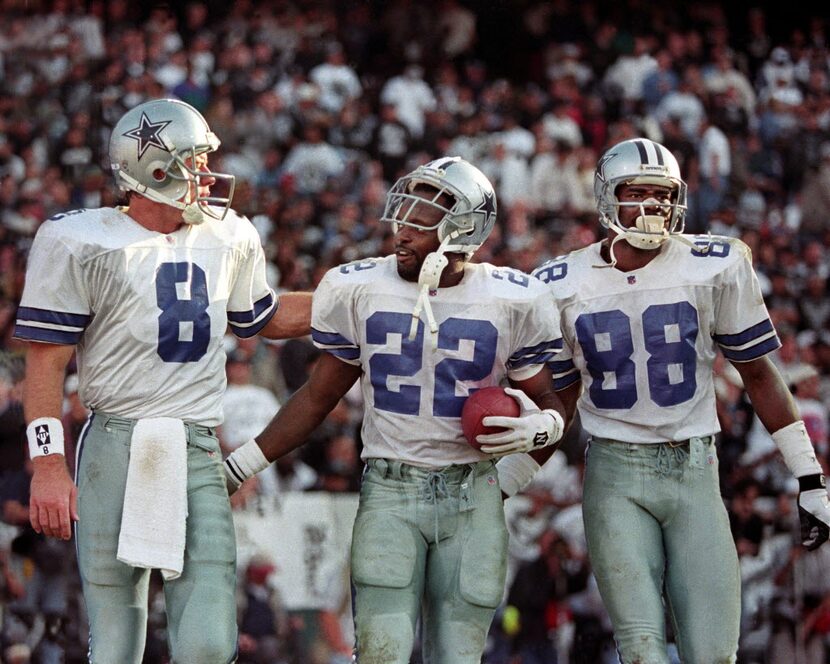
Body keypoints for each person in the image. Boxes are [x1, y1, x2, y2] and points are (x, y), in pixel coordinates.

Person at [224, 156, 569, 664]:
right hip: (391, 489)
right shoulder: (361, 285)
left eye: (422, 218)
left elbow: (550, 403)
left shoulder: (514, 299)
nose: (402, 230)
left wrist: (540, 430)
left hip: (472, 493)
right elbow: (318, 396)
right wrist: (243, 464)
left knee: (458, 655)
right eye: (403, 212)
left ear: (463, 228)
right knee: (380, 653)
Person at [13, 98, 311, 664]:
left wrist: (354, 301)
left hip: (196, 443)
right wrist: (48, 467)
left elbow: (264, 316)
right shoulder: (81, 240)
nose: (206, 174)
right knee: (116, 640)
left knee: (208, 642)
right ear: (153, 169)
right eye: (194, 162)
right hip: (114, 442)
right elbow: (45, 363)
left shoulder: (227, 235)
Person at [532, 137, 830, 664]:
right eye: (637, 192)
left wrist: (809, 477)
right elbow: (561, 396)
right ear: (607, 198)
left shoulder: (712, 264)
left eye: (663, 194)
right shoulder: (561, 281)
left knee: (714, 653)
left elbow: (759, 374)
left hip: (696, 468)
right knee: (642, 649)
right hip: (615, 471)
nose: (652, 206)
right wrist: (505, 481)